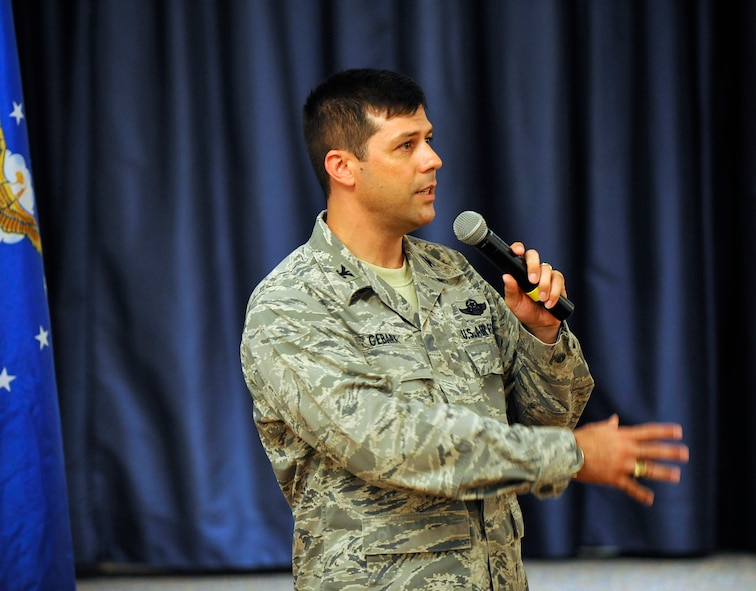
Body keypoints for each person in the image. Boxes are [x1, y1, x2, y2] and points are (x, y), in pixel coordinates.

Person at [240, 68, 689, 591]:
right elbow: (386, 443)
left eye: (428, 140)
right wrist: (576, 457)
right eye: (406, 145)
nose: (432, 160)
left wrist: (541, 336)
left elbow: (549, 421)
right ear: (343, 167)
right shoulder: (292, 304)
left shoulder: (451, 274)